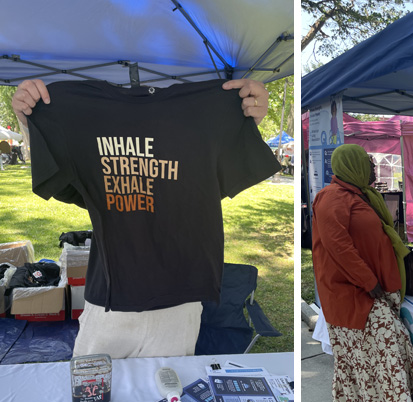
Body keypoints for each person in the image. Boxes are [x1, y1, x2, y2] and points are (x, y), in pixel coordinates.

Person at [12, 77, 274, 359]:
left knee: (167, 400)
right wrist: (30, 120)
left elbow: (211, 184)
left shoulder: (208, 111)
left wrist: (242, 120)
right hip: (109, 303)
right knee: (89, 394)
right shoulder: (77, 110)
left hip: (179, 304)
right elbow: (60, 180)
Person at [311, 143, 413, 402]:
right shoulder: (332, 198)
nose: (373, 168)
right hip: (350, 290)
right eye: (367, 164)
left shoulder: (361, 195)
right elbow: (339, 248)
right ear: (353, 166)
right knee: (391, 342)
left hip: (365, 287)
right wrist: (370, 282)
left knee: (354, 354)